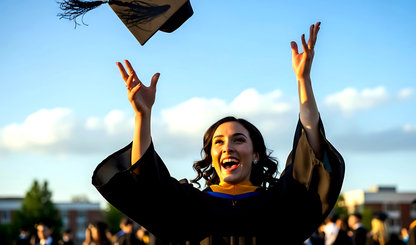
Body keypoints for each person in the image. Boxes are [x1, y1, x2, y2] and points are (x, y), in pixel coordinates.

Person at [92, 22, 345, 244]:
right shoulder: (189, 207)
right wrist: (142, 116)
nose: (227, 147)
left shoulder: (279, 205)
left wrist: (303, 81)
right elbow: (146, 181)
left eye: (239, 139)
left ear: (256, 154)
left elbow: (310, 153)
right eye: (219, 142)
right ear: (211, 155)